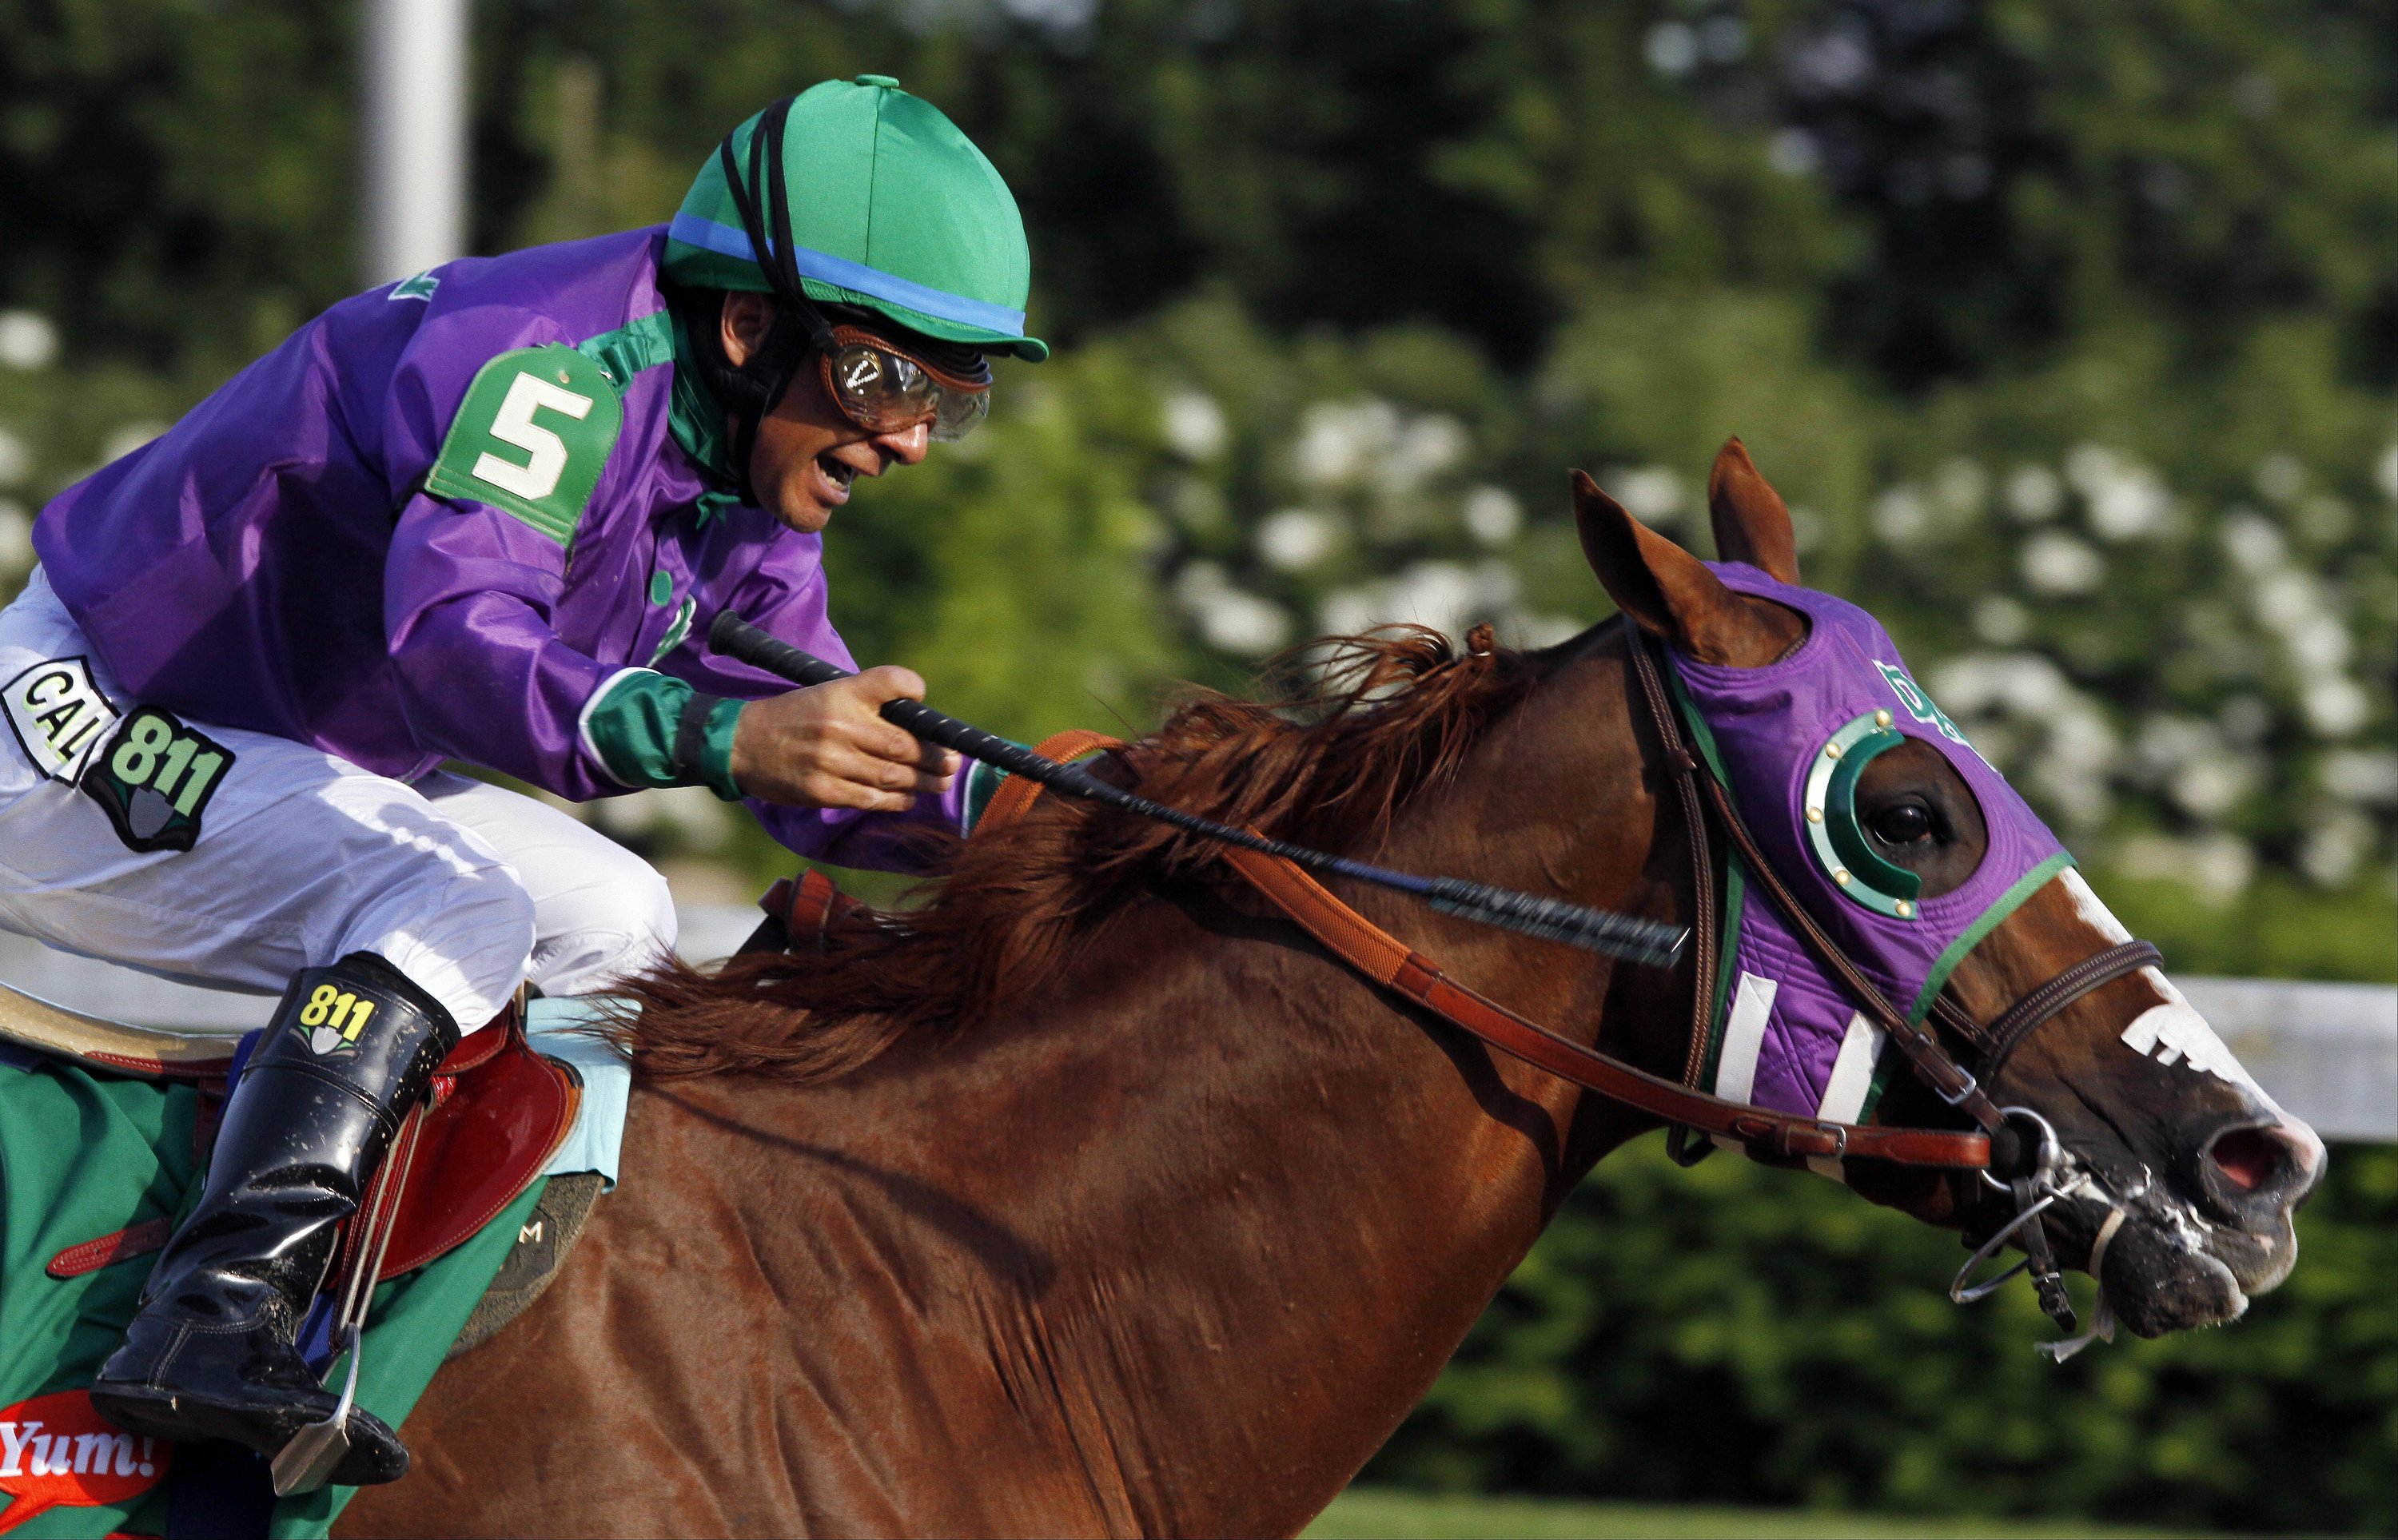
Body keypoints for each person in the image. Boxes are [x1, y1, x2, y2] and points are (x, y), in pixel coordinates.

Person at [1, 77, 1041, 1484]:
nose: (911, 436)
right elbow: (455, 650)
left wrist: (1057, 830)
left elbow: (811, 740)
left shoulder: (744, 479)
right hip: (82, 717)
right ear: (748, 326)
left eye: (947, 399)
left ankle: (443, 1342)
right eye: (883, 378)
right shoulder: (547, 366)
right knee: (460, 904)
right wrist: (726, 741)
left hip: (279, 748)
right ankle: (205, 1320)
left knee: (619, 916)